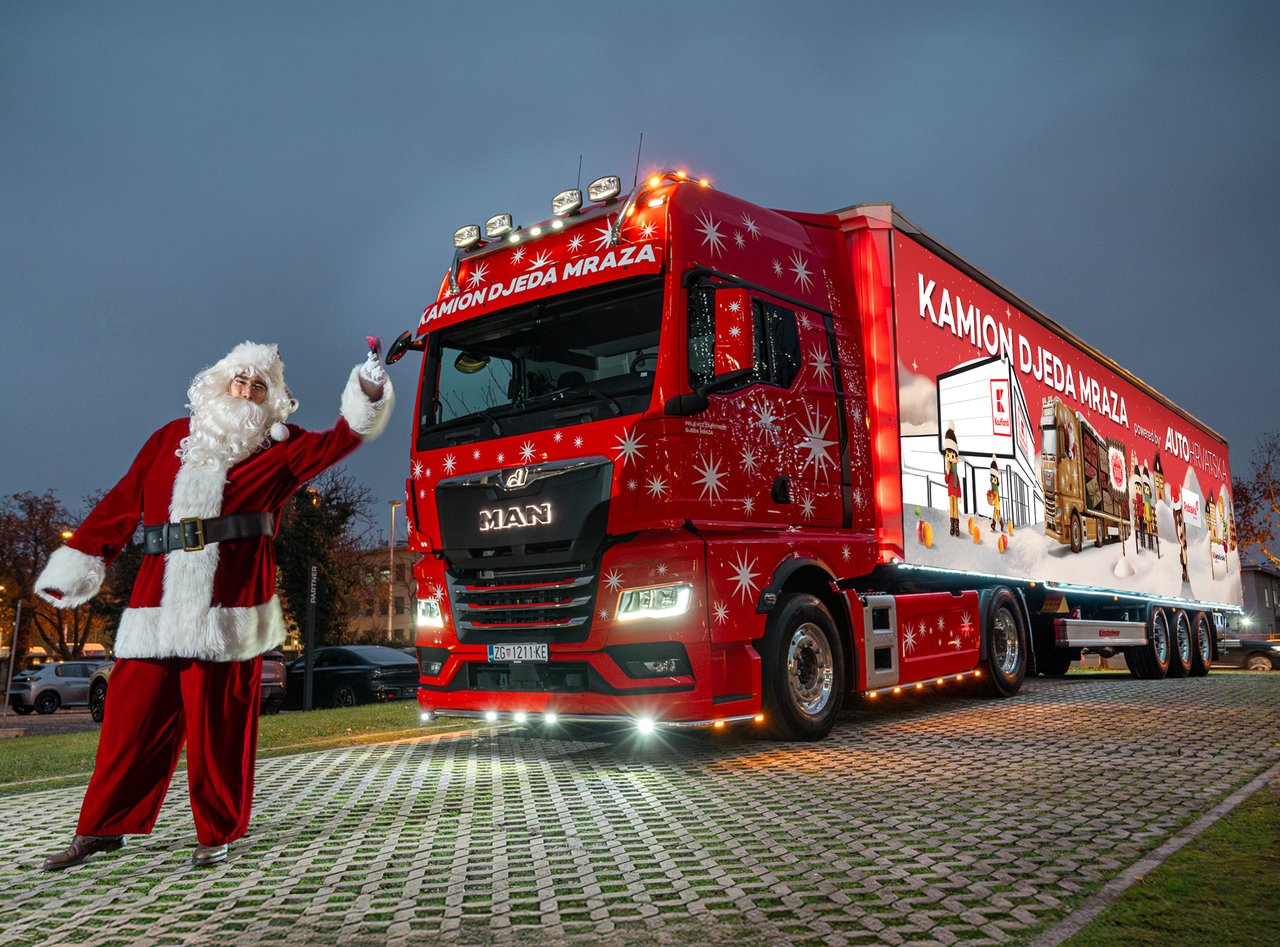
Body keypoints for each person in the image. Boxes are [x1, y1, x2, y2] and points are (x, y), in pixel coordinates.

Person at [34, 340, 394, 870]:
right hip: (153, 614)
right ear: (218, 384)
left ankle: (217, 831)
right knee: (126, 727)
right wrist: (80, 563)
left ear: (272, 398)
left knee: (219, 730)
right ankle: (102, 828)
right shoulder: (168, 439)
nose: (246, 391)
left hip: (226, 615)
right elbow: (120, 501)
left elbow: (344, 437)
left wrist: (367, 388)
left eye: (258, 386)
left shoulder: (280, 448)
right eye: (239, 381)